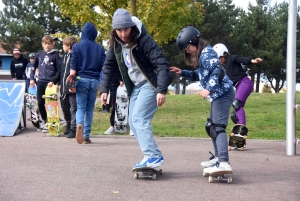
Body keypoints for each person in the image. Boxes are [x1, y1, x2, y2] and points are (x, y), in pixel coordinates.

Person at [100, 8, 173, 169]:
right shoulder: (116, 43)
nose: (123, 34)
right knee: (133, 123)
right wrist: (104, 89)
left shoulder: (144, 40)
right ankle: (149, 155)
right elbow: (109, 66)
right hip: (136, 86)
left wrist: (161, 90)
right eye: (119, 30)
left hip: (150, 84)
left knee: (140, 118)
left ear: (131, 27)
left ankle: (154, 156)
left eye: (125, 29)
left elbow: (162, 64)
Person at [170, 26, 235, 174]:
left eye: (187, 47)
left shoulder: (206, 53)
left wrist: (208, 88)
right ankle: (219, 158)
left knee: (218, 127)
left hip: (223, 94)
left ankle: (224, 162)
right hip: (219, 94)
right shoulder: (202, 55)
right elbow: (200, 75)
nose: (187, 51)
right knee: (211, 126)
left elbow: (218, 70)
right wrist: (182, 72)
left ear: (195, 41)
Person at [212, 43, 262, 147]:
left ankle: (241, 131)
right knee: (235, 114)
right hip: (239, 86)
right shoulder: (222, 68)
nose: (218, 61)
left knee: (237, 104)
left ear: (223, 54)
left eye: (219, 58)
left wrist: (252, 61)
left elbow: (241, 59)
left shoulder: (231, 58)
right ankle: (241, 140)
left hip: (245, 83)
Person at [69, 22, 106, 144]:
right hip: (95, 81)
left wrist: (70, 83)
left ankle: (79, 124)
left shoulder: (76, 47)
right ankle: (86, 136)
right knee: (90, 108)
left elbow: (73, 70)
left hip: (81, 80)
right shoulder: (100, 48)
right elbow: (104, 68)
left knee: (81, 107)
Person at [30, 35, 61, 133]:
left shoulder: (56, 55)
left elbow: (60, 70)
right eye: (45, 44)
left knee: (50, 104)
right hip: (41, 82)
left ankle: (52, 122)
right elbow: (32, 67)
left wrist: (58, 83)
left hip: (51, 84)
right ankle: (45, 121)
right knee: (40, 102)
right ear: (42, 44)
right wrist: (32, 79)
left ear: (52, 44)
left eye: (49, 44)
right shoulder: (39, 55)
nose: (47, 46)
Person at [52, 36, 78, 138]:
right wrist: (53, 81)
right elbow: (59, 72)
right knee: (65, 109)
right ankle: (68, 126)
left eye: (63, 45)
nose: (62, 46)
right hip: (63, 89)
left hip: (72, 89)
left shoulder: (75, 57)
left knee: (73, 109)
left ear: (68, 46)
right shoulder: (63, 57)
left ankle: (73, 128)